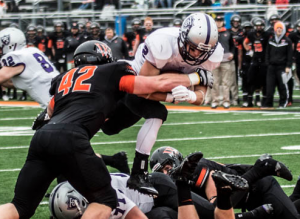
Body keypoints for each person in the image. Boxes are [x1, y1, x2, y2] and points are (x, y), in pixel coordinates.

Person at [0, 40, 211, 219]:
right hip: (71, 137)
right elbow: (151, 85)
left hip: (42, 138)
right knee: (105, 201)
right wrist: (195, 79)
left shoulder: (64, 79)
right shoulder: (112, 72)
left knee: (20, 206)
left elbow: (50, 110)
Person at [101, 12, 223, 195]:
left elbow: (200, 97)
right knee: (101, 122)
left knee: (111, 128)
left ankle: (137, 173)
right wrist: (185, 84)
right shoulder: (163, 43)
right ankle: (137, 173)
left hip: (149, 91)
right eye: (193, 48)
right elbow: (144, 86)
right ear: (182, 38)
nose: (197, 54)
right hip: (131, 83)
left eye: (203, 51)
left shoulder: (212, 56)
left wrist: (190, 95)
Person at [49, 152, 247, 219]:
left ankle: (241, 197)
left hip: (159, 188)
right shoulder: (78, 185)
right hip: (147, 199)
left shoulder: (108, 199)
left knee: (212, 215)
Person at [150, 146, 298, 219]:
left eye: (167, 168)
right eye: (161, 171)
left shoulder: (195, 170)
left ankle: (263, 167)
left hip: (261, 188)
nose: (165, 174)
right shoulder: (180, 183)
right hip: (248, 199)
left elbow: (218, 207)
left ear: (177, 161)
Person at [0, 27, 60, 108]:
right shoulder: (33, 51)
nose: (0, 51)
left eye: (1, 48)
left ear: (10, 44)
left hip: (60, 104)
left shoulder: (16, 56)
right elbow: (10, 82)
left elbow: (1, 77)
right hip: (63, 93)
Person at [265, 21, 292, 108]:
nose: (279, 30)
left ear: (283, 29)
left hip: (282, 67)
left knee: (282, 86)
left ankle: (283, 102)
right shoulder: (271, 40)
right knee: (269, 86)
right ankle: (269, 103)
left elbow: (289, 55)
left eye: (280, 28)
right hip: (271, 67)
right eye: (277, 28)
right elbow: (267, 53)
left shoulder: (287, 41)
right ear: (275, 29)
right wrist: (267, 63)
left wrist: (288, 66)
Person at [210, 15, 235, 109]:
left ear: (222, 22)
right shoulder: (212, 33)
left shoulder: (228, 32)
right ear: (215, 22)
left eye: (220, 20)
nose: (219, 22)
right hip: (214, 60)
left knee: (226, 82)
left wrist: (232, 53)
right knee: (215, 82)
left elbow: (232, 45)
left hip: (225, 60)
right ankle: (215, 101)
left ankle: (226, 101)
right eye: (217, 20)